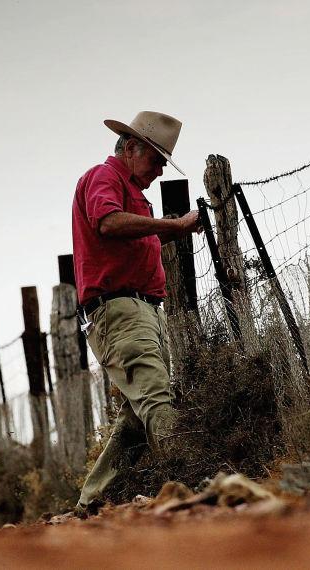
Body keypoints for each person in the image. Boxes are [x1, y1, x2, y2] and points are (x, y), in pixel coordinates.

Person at [71, 111, 200, 511]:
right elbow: (107, 223)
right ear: (130, 148)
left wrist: (164, 228)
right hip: (120, 309)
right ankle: (191, 488)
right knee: (157, 399)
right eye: (157, 160)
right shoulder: (105, 177)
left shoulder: (134, 192)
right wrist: (172, 227)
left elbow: (125, 239)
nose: (161, 170)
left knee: (135, 416)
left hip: (139, 310)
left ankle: (91, 502)